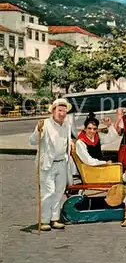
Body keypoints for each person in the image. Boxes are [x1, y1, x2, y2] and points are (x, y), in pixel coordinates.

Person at [28, 98, 75, 231]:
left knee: (59, 192)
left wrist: (71, 143)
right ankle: (44, 220)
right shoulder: (45, 124)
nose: (62, 113)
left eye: (64, 111)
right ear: (53, 111)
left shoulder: (66, 124)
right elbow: (32, 141)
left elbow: (67, 140)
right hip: (47, 164)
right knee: (48, 192)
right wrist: (38, 131)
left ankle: (55, 218)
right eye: (59, 110)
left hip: (62, 163)